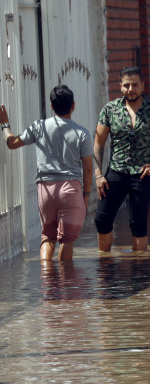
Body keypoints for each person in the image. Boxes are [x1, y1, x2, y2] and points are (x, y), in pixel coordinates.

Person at [1, 86, 92, 262]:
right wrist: (86, 195)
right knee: (66, 240)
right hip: (70, 190)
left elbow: (11, 143)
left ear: (51, 106)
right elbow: (88, 169)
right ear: (73, 106)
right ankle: (66, 285)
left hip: (45, 189)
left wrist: (5, 124)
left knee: (47, 237)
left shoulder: (39, 127)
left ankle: (48, 282)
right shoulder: (82, 133)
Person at [93, 66, 150, 252]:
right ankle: (105, 266)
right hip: (116, 171)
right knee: (102, 219)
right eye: (126, 85)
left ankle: (140, 272)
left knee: (138, 224)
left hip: (143, 173)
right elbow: (98, 143)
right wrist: (99, 174)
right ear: (120, 86)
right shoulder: (110, 110)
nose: (130, 89)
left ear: (143, 86)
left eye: (134, 85)